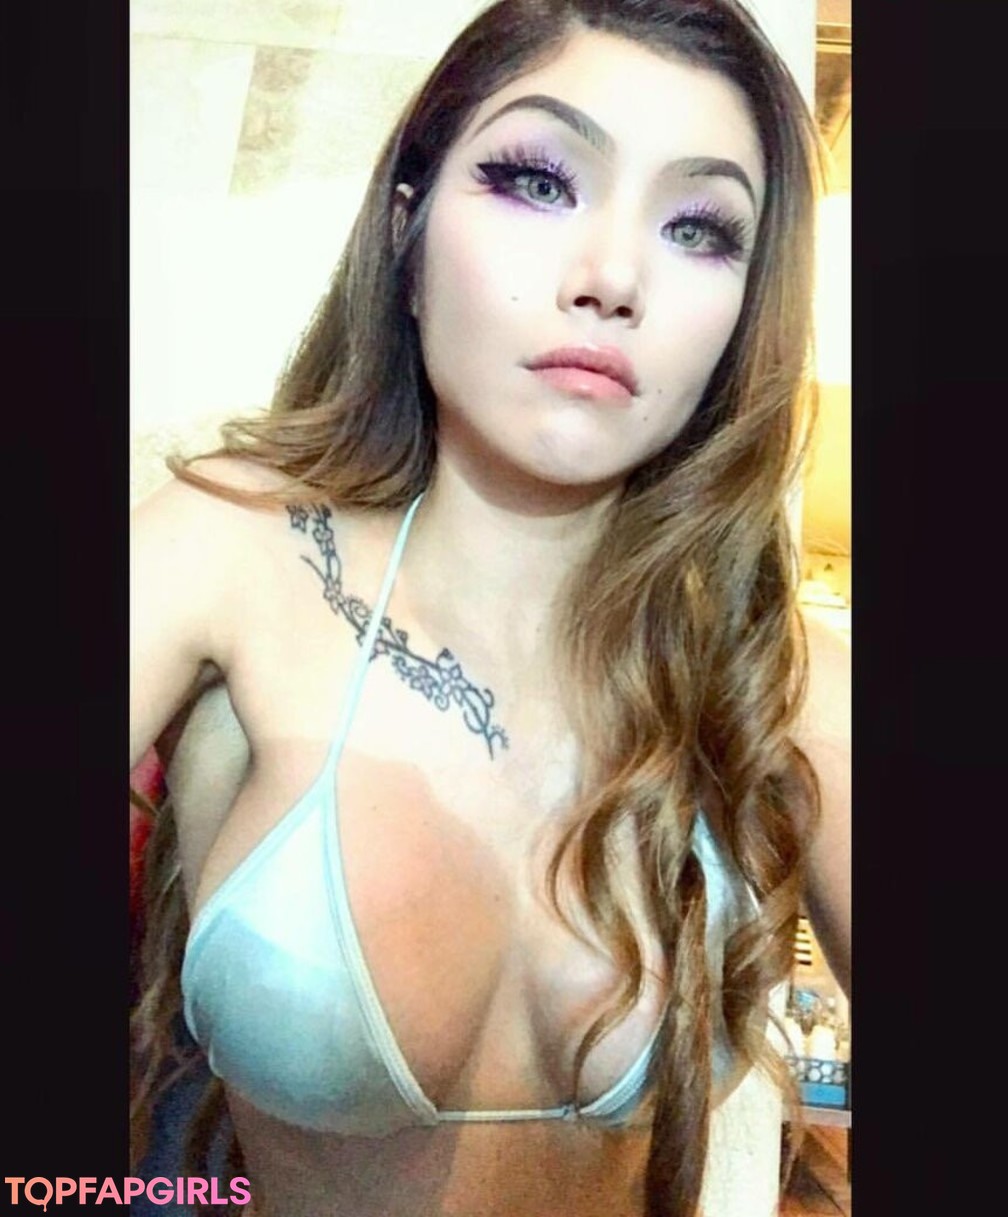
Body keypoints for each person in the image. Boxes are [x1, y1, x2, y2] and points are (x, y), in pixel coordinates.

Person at [129, 1, 851, 1215]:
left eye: (698, 228)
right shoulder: (232, 548)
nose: (611, 278)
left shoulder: (768, 672)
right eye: (537, 180)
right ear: (405, 233)